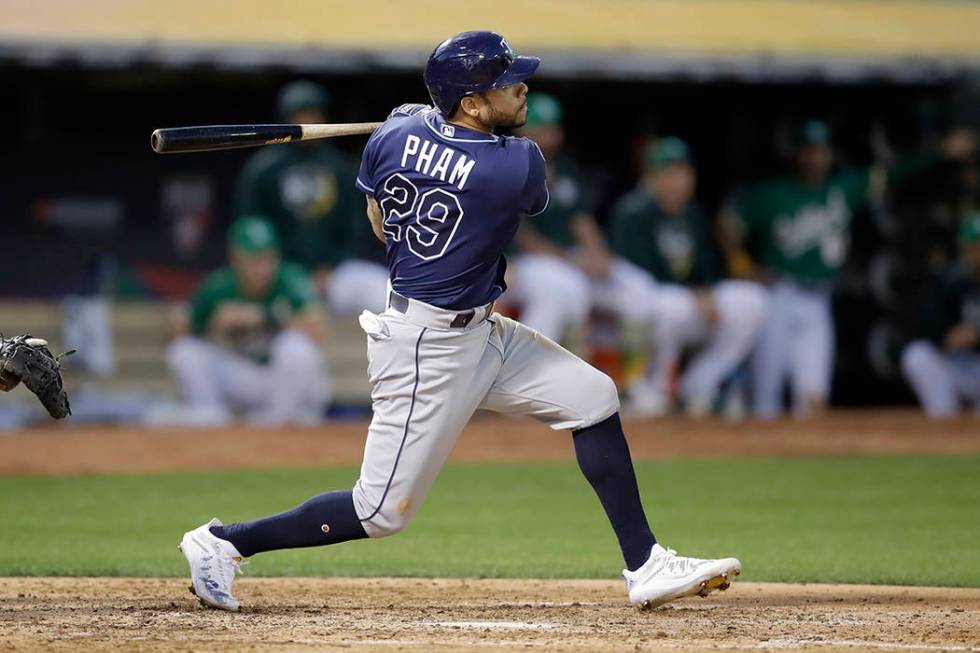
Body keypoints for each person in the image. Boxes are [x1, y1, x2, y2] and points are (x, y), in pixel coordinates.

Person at [178, 31, 741, 613]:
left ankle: (645, 564)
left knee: (593, 397)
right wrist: (426, 127)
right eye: (506, 82)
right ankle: (222, 543)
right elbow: (511, 183)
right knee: (378, 513)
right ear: (471, 103)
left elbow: (380, 222)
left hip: (481, 331)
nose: (522, 88)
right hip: (427, 349)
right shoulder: (517, 164)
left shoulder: (390, 139)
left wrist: (415, 128)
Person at [721, 120, 976, 419]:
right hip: (779, 293)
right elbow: (728, 223)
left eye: (821, 151)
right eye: (809, 151)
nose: (815, 158)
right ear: (797, 154)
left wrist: (939, 153)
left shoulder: (842, 188)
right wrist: (743, 266)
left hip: (817, 299)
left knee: (814, 394)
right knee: (766, 392)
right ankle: (754, 459)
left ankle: (801, 461)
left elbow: (894, 175)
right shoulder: (774, 193)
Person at [607, 138, 768, 416]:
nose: (677, 181)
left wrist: (704, 291)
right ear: (652, 177)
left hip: (692, 304)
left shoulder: (693, 213)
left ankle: (699, 385)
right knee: (671, 305)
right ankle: (654, 388)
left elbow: (707, 266)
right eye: (669, 173)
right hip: (650, 307)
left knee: (753, 300)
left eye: (682, 172)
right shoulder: (633, 211)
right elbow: (640, 274)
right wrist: (695, 294)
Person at [235, 80, 389, 315]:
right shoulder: (263, 170)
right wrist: (282, 269)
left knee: (383, 289)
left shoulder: (340, 168)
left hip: (334, 273)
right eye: (301, 114)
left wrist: (329, 267)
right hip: (277, 276)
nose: (309, 121)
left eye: (313, 113)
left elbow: (356, 228)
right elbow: (250, 228)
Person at [166, 216, 329, 425]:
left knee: (296, 348)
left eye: (268, 258)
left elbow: (318, 327)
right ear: (235, 259)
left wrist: (262, 316)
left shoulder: (291, 279)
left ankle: (281, 421)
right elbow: (177, 331)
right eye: (253, 260)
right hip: (245, 376)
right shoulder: (218, 286)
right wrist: (209, 321)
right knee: (184, 351)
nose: (262, 267)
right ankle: (209, 417)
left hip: (282, 382)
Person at [505, 93, 610, 342]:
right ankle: (524, 367)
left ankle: (586, 368)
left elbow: (580, 219)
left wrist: (598, 253)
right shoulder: (507, 165)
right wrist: (569, 260)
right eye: (542, 128)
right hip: (515, 261)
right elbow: (521, 234)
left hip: (560, 259)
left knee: (633, 290)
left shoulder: (563, 169)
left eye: (552, 128)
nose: (550, 136)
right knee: (562, 286)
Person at [901, 212, 980, 418]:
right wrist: (947, 335)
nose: (971, 255)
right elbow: (926, 323)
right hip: (961, 362)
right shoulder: (953, 279)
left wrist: (976, 334)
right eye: (968, 248)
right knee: (917, 356)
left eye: (975, 248)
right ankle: (944, 422)